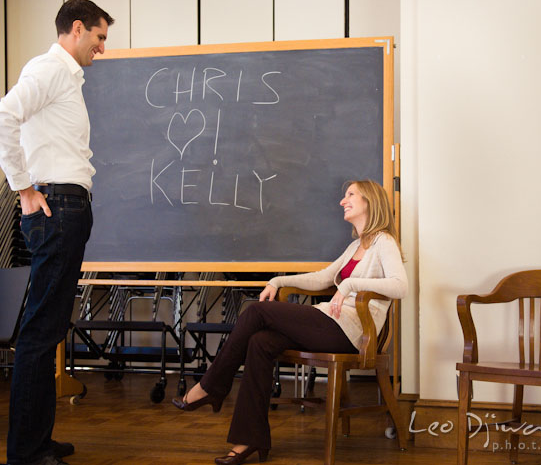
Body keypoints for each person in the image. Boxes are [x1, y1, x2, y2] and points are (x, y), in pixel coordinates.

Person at [172, 179, 407, 465]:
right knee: (260, 342)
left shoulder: (384, 241)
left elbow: (400, 286)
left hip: (350, 331)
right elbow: (322, 277)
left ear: (370, 201)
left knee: (257, 312)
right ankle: (249, 440)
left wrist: (348, 286)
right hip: (330, 322)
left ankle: (210, 386)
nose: (342, 201)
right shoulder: (357, 245)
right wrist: (277, 280)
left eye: (350, 195)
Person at [0, 0, 114, 465]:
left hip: (65, 206)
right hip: (56, 206)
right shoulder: (51, 69)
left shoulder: (64, 77)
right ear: (76, 29)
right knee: (41, 331)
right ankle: (26, 451)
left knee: (50, 328)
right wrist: (23, 189)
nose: (102, 48)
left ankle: (36, 440)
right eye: (99, 37)